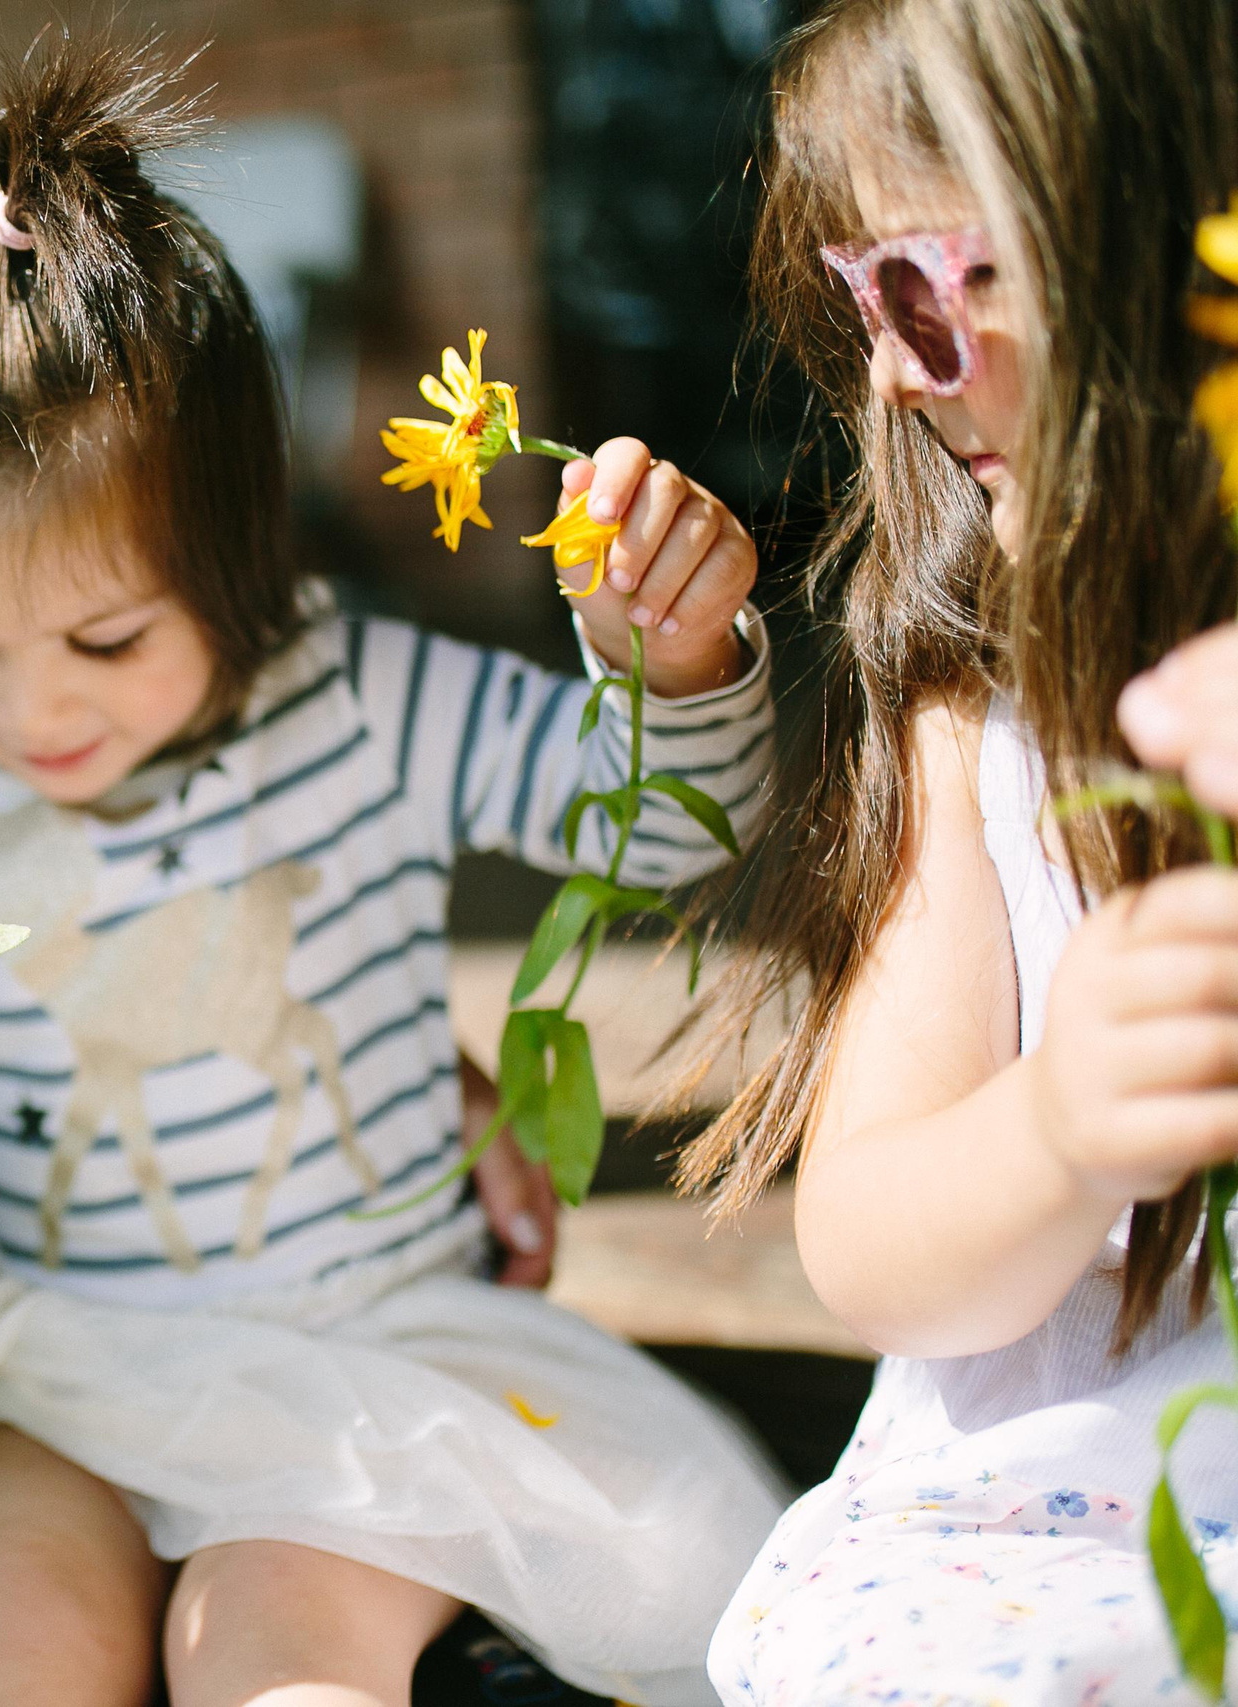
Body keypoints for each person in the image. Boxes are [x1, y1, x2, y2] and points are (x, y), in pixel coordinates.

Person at [0, 39, 790, 1707]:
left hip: (371, 1346)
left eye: (106, 635)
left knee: (274, 1638)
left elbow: (661, 832)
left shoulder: (357, 700)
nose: (30, 712)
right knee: (9, 1625)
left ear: (233, 547)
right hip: (70, 1362)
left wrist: (667, 668)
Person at [671, 0, 1238, 1697]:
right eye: (869, 292)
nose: (902, 370)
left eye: (964, 280)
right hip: (1072, 1511)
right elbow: (872, 1240)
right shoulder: (977, 706)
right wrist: (1061, 1129)